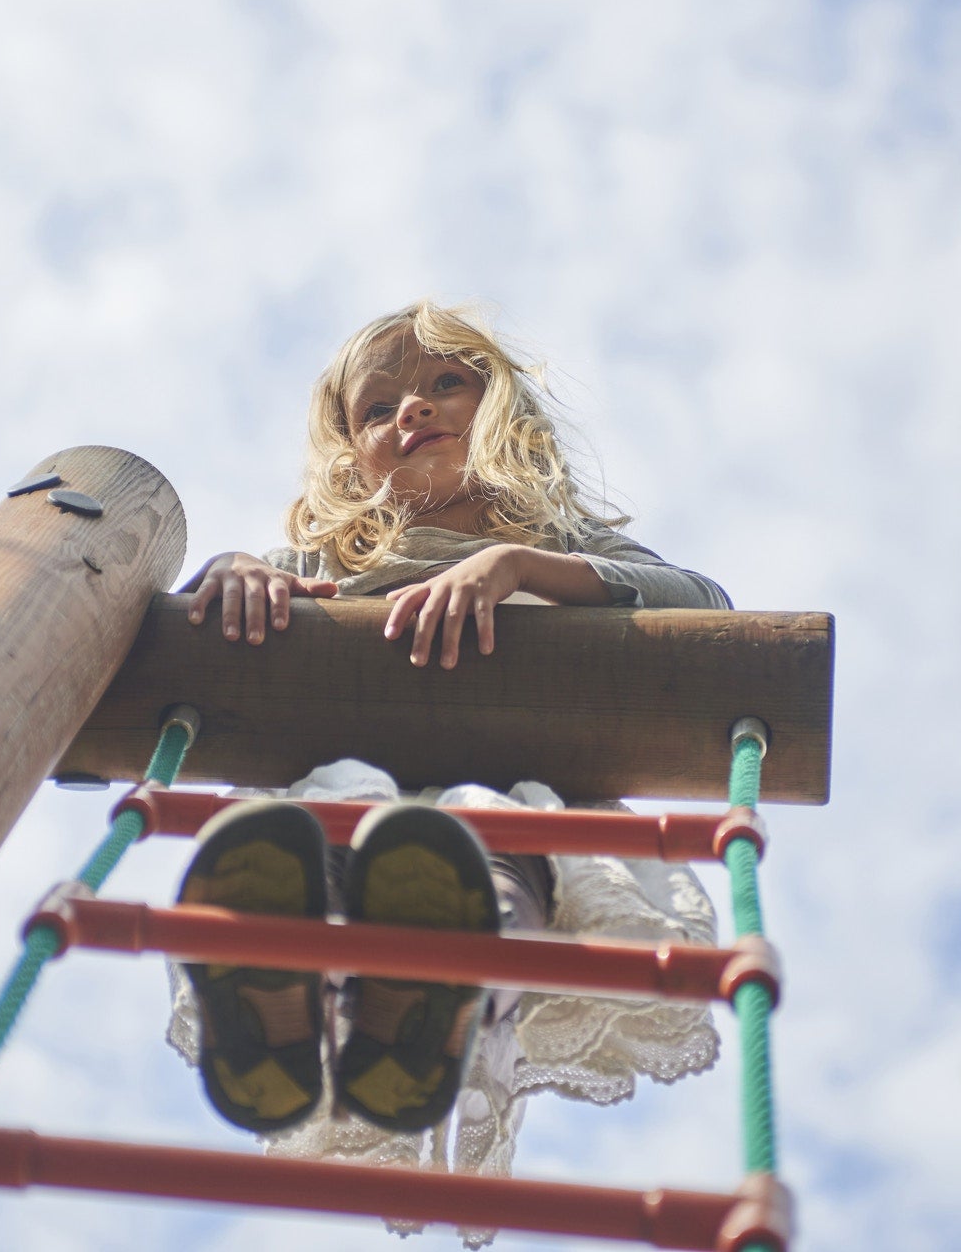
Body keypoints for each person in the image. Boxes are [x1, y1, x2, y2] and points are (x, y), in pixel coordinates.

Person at [167, 300, 729, 1243]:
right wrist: (234, 571)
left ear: (500, 404)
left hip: (512, 805)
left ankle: (450, 988)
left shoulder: (559, 547)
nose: (411, 413)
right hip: (345, 804)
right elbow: (209, 603)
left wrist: (518, 565)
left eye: (443, 385)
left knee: (484, 840)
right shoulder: (333, 561)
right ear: (353, 452)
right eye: (378, 407)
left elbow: (701, 601)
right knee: (331, 809)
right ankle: (280, 972)